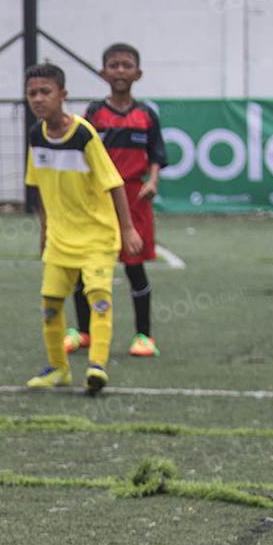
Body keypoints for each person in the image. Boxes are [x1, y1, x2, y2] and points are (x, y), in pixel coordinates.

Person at [24, 62, 142, 396]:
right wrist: (44, 231)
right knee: (50, 304)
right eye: (32, 93)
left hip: (97, 236)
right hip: (61, 240)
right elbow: (40, 189)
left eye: (45, 92)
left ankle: (97, 366)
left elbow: (115, 183)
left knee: (98, 300)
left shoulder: (83, 134)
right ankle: (58, 368)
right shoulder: (35, 136)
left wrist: (128, 229)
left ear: (62, 95)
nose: (38, 99)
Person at [64, 43, 168, 358]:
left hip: (135, 201)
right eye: (114, 65)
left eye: (126, 65)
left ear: (137, 73)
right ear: (103, 72)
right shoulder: (95, 113)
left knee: (134, 268)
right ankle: (84, 333)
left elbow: (157, 155)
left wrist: (152, 182)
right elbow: (81, 153)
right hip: (99, 202)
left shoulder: (146, 114)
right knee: (87, 267)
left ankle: (144, 336)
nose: (120, 71)